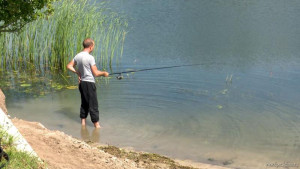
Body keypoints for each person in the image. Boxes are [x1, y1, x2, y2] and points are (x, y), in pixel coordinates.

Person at [67, 38, 109, 128]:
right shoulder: (90, 57)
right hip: (89, 83)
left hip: (82, 83)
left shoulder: (77, 56)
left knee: (84, 103)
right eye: (93, 46)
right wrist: (104, 73)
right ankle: (97, 125)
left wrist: (78, 72)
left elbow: (69, 66)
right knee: (93, 104)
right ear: (90, 46)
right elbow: (96, 73)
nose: (93, 48)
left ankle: (83, 124)